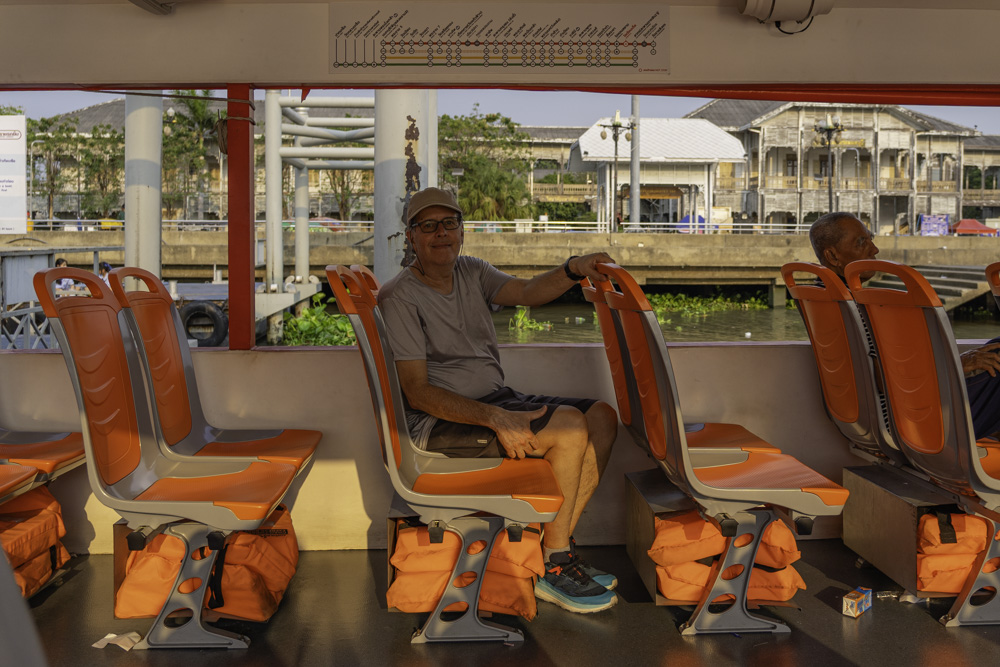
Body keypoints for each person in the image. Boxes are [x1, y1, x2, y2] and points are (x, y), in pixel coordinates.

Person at [378, 187, 620, 614]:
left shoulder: (471, 271)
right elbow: (417, 391)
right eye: (427, 225)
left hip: (494, 399)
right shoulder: (401, 295)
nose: (440, 233)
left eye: (449, 223)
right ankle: (554, 564)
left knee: (600, 416)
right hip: (435, 424)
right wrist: (495, 418)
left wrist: (573, 269)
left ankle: (551, 549)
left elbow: (526, 292)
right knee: (567, 428)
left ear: (462, 231)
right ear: (410, 236)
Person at [809, 212, 1000, 439]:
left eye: (871, 239)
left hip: (878, 417)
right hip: (913, 423)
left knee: (996, 347)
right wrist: (959, 364)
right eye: (861, 243)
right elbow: (878, 377)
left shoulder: (823, 297)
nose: (874, 250)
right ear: (832, 256)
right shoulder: (845, 306)